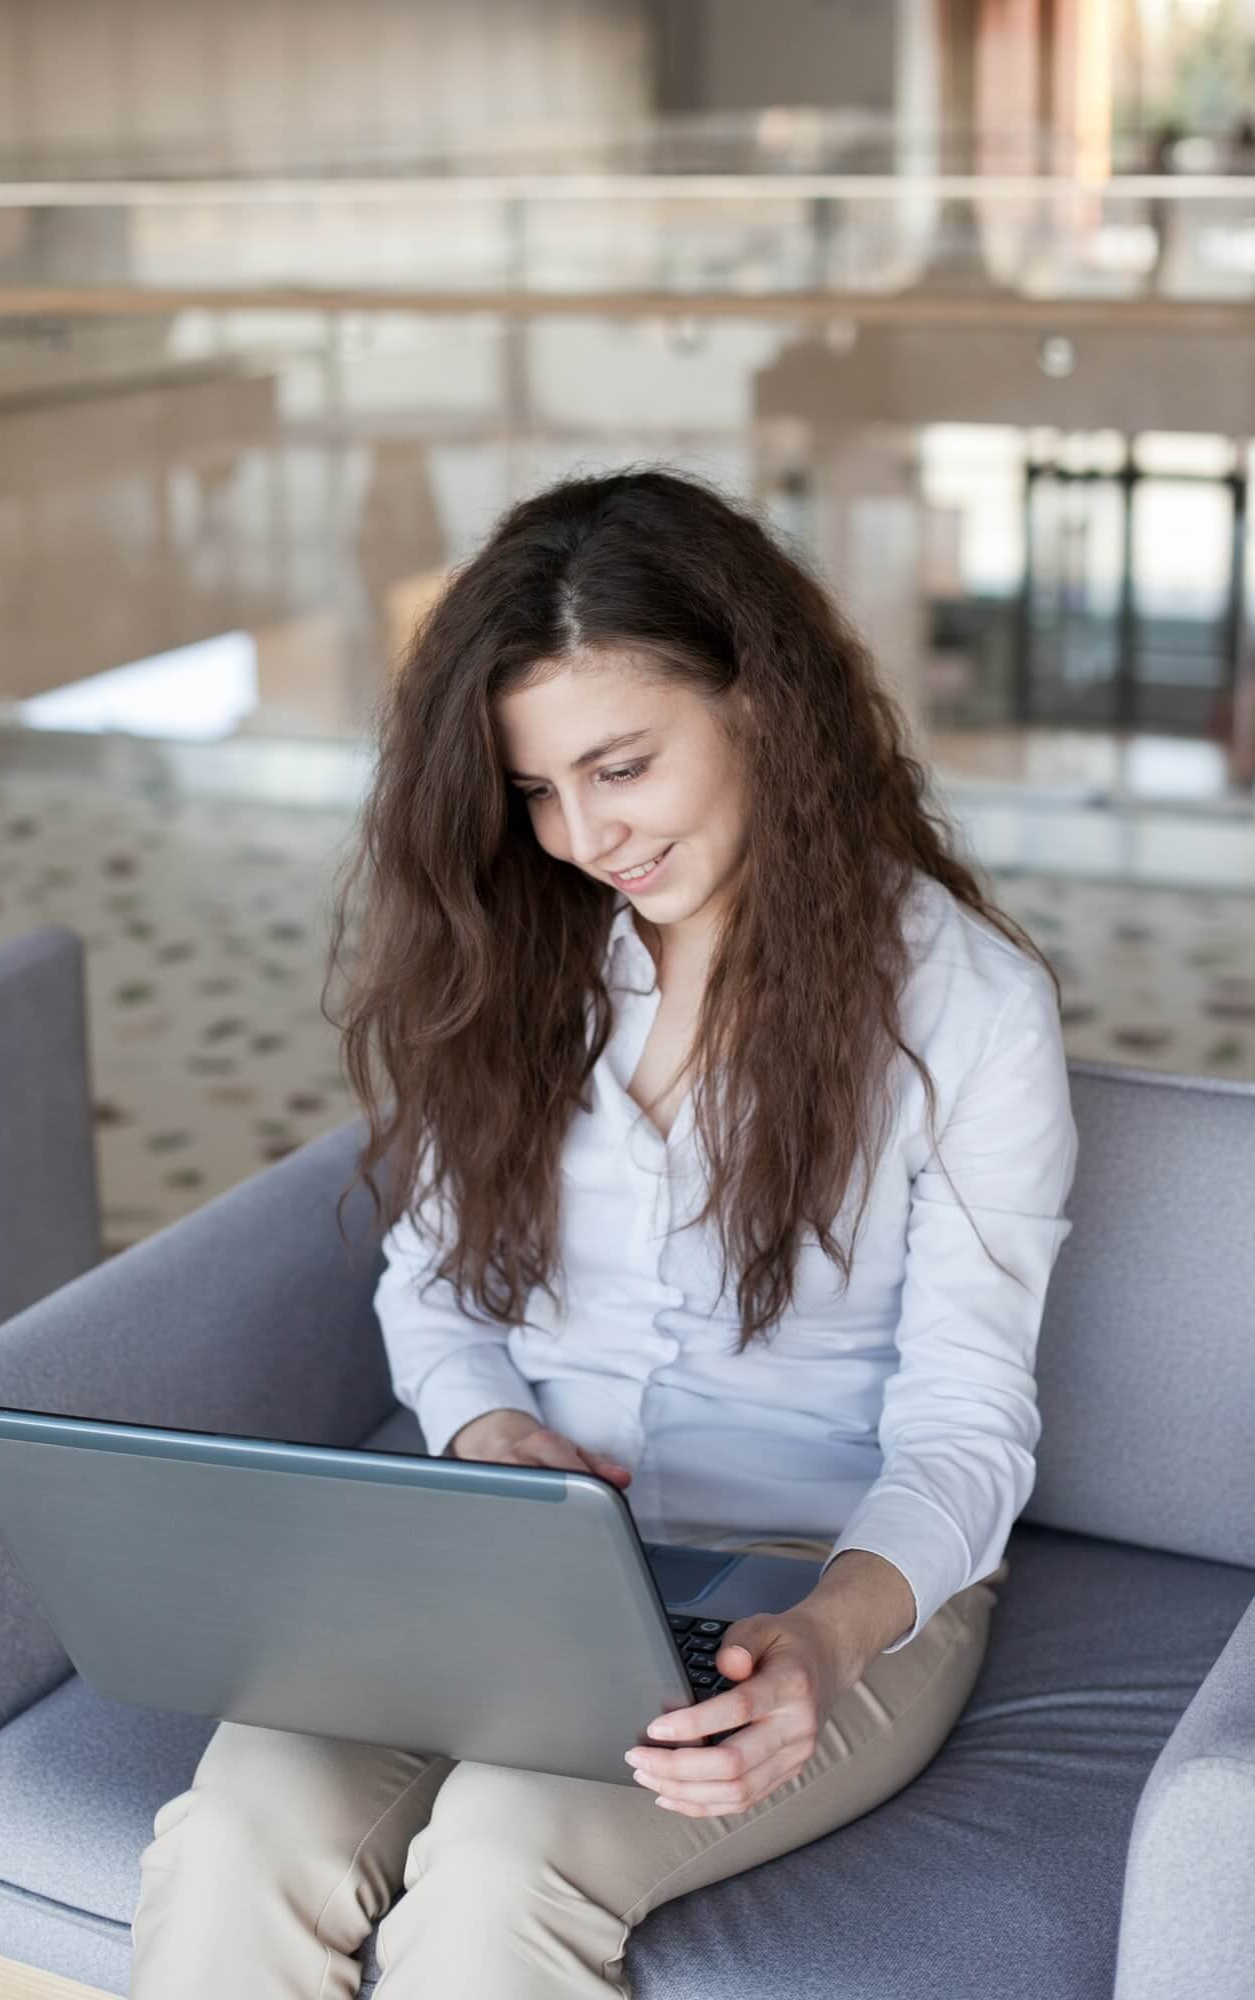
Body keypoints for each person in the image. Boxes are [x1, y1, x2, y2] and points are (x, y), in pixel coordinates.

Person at [128, 465, 1079, 1998]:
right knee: (239, 1827)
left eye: (621, 766)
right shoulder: (522, 957)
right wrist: (495, 1433)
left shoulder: (963, 1007)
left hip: (824, 1582)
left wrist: (830, 1641)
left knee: (504, 1865)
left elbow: (970, 1417)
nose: (582, 837)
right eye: (533, 791)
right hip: (517, 1560)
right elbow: (431, 1289)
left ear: (760, 704)